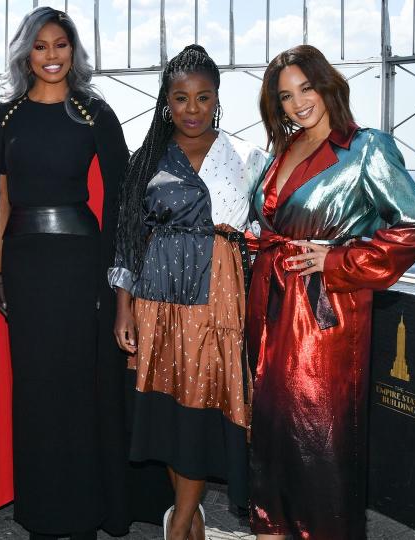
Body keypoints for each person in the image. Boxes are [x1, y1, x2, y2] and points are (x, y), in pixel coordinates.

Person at [0, 6, 171, 539]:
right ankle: (42, 514)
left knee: (83, 391)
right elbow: (1, 201)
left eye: (60, 44)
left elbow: (123, 203)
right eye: (40, 46)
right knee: (36, 392)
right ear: (25, 52)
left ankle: (86, 514)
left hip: (83, 267)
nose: (51, 56)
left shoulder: (94, 113)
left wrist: (117, 281)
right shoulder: (5, 117)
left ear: (74, 50)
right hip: (24, 269)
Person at [248, 44, 415, 540]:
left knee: (320, 449)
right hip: (270, 310)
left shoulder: (366, 147)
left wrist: (338, 260)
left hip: (323, 319)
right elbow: (274, 224)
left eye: (305, 88)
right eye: (285, 96)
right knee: (271, 444)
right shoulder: (283, 150)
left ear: (326, 84)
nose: (297, 103)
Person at [110, 44, 267, 540]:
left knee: (200, 409)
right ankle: (189, 514)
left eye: (203, 98)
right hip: (156, 302)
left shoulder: (245, 158)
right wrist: (123, 307)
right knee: (168, 413)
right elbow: (128, 237)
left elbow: (271, 226)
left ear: (217, 98)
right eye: (181, 99)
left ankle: (179, 520)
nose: (192, 109)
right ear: (166, 102)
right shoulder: (148, 159)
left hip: (217, 301)